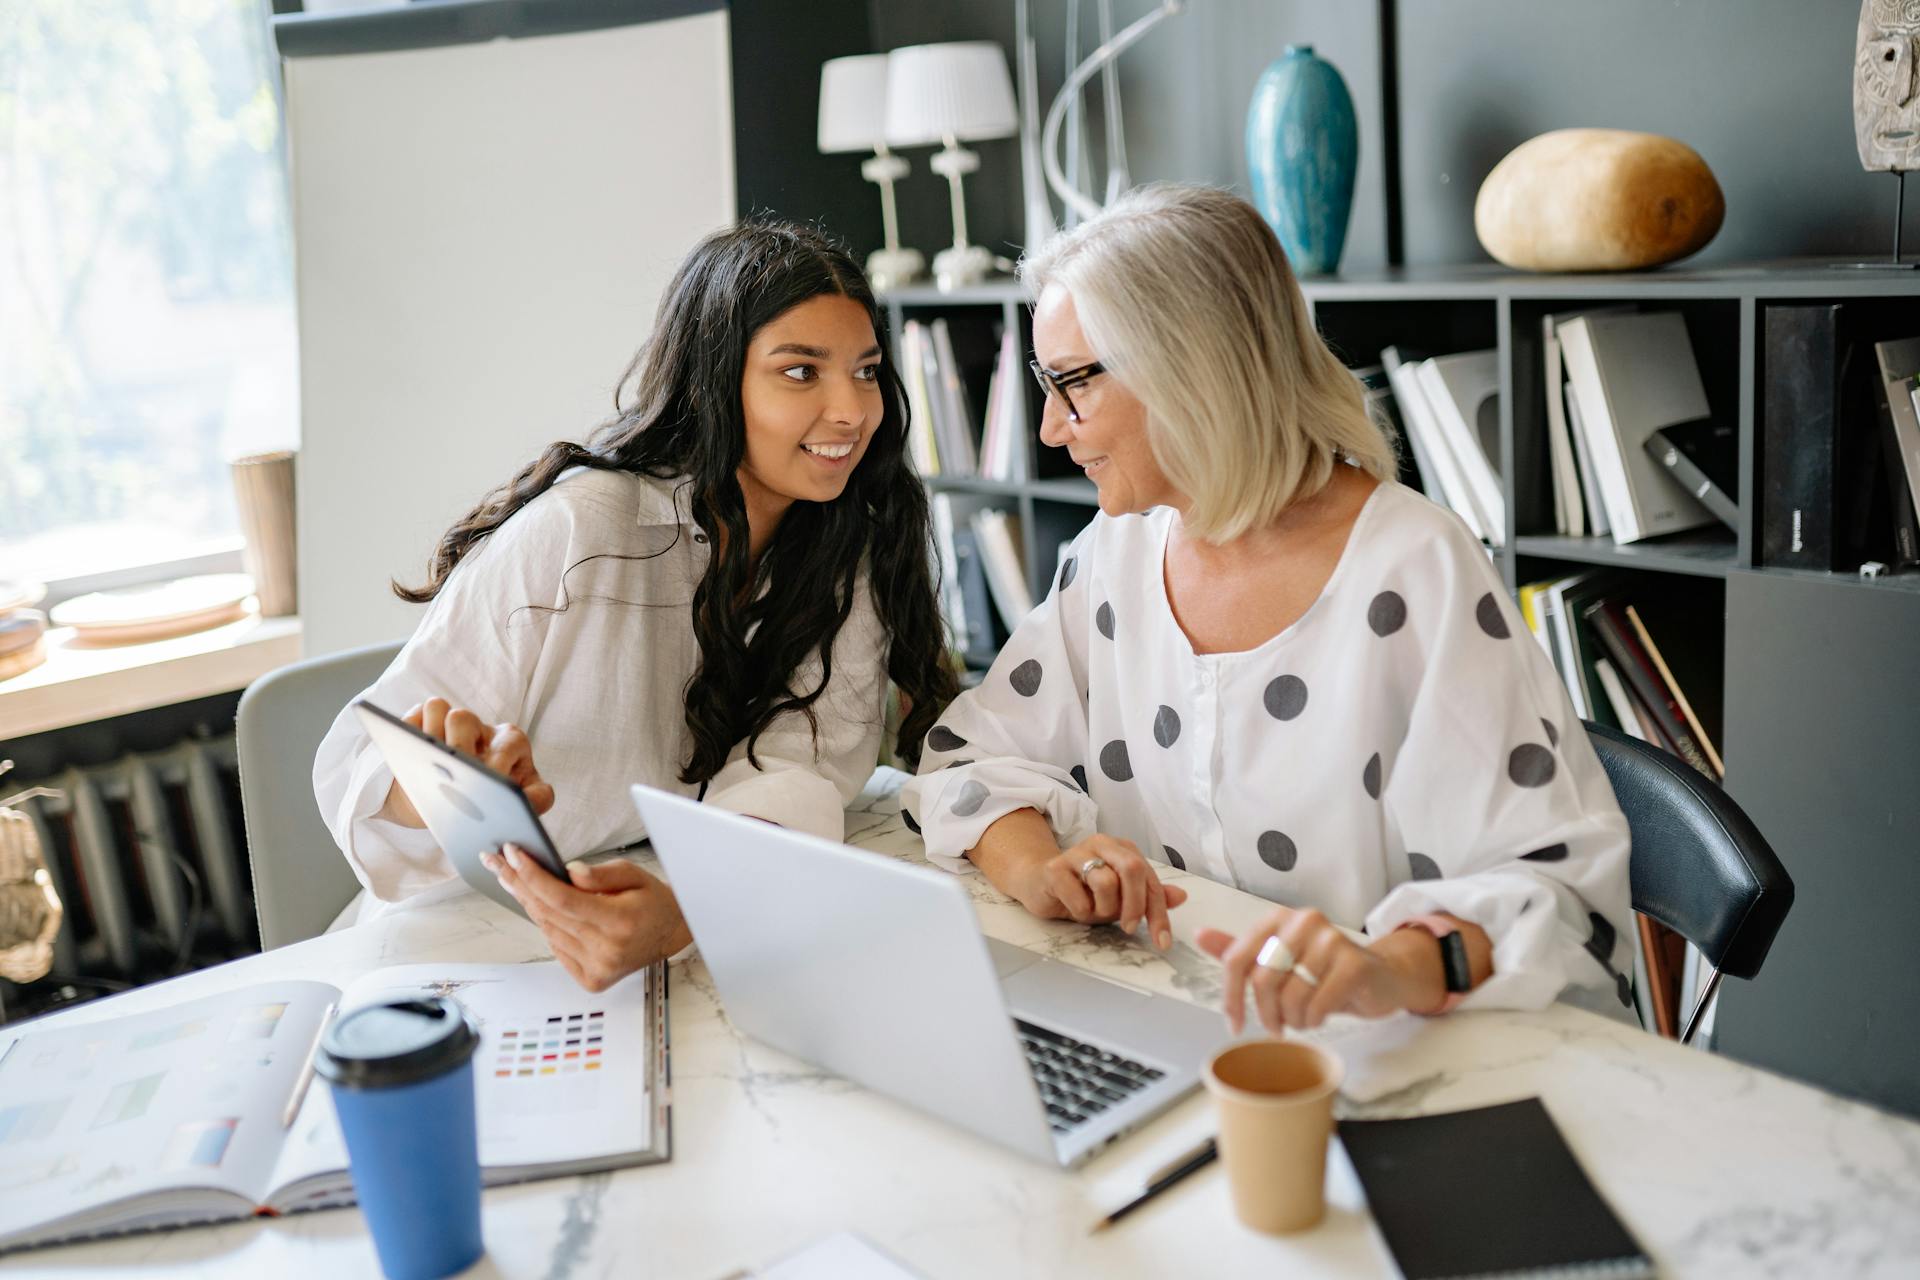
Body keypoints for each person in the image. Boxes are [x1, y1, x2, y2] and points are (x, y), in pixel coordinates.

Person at [900, 185, 1632, 1035]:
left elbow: (1553, 887)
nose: (1053, 430)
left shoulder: (1413, 569)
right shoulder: (1114, 555)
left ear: (1185, 369)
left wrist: (1382, 965)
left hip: (1392, 1054)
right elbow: (970, 757)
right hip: (1176, 1025)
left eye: (1072, 386)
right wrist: (1043, 870)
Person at [315, 222, 955, 992]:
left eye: (866, 371)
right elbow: (355, 765)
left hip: (659, 915)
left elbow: (799, 768)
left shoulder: (846, 545)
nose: (852, 410)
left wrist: (695, 907)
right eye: (800, 372)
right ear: (717, 380)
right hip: (466, 951)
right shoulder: (584, 530)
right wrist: (450, 783)